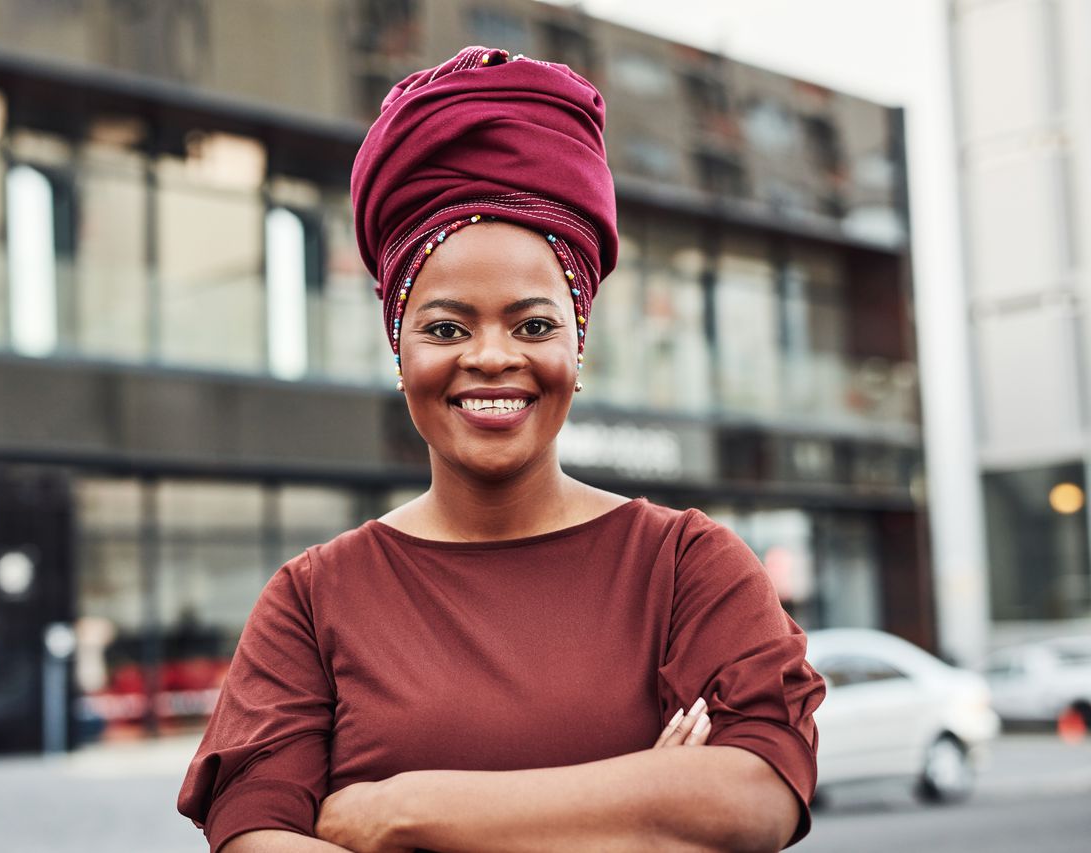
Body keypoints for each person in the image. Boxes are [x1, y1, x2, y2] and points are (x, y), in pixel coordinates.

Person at [178, 46, 825, 852]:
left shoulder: (687, 567)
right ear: (400, 351)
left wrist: (400, 811)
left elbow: (755, 795)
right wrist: (641, 810)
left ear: (577, 348)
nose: (491, 357)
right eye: (447, 327)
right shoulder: (314, 601)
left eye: (534, 325)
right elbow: (254, 837)